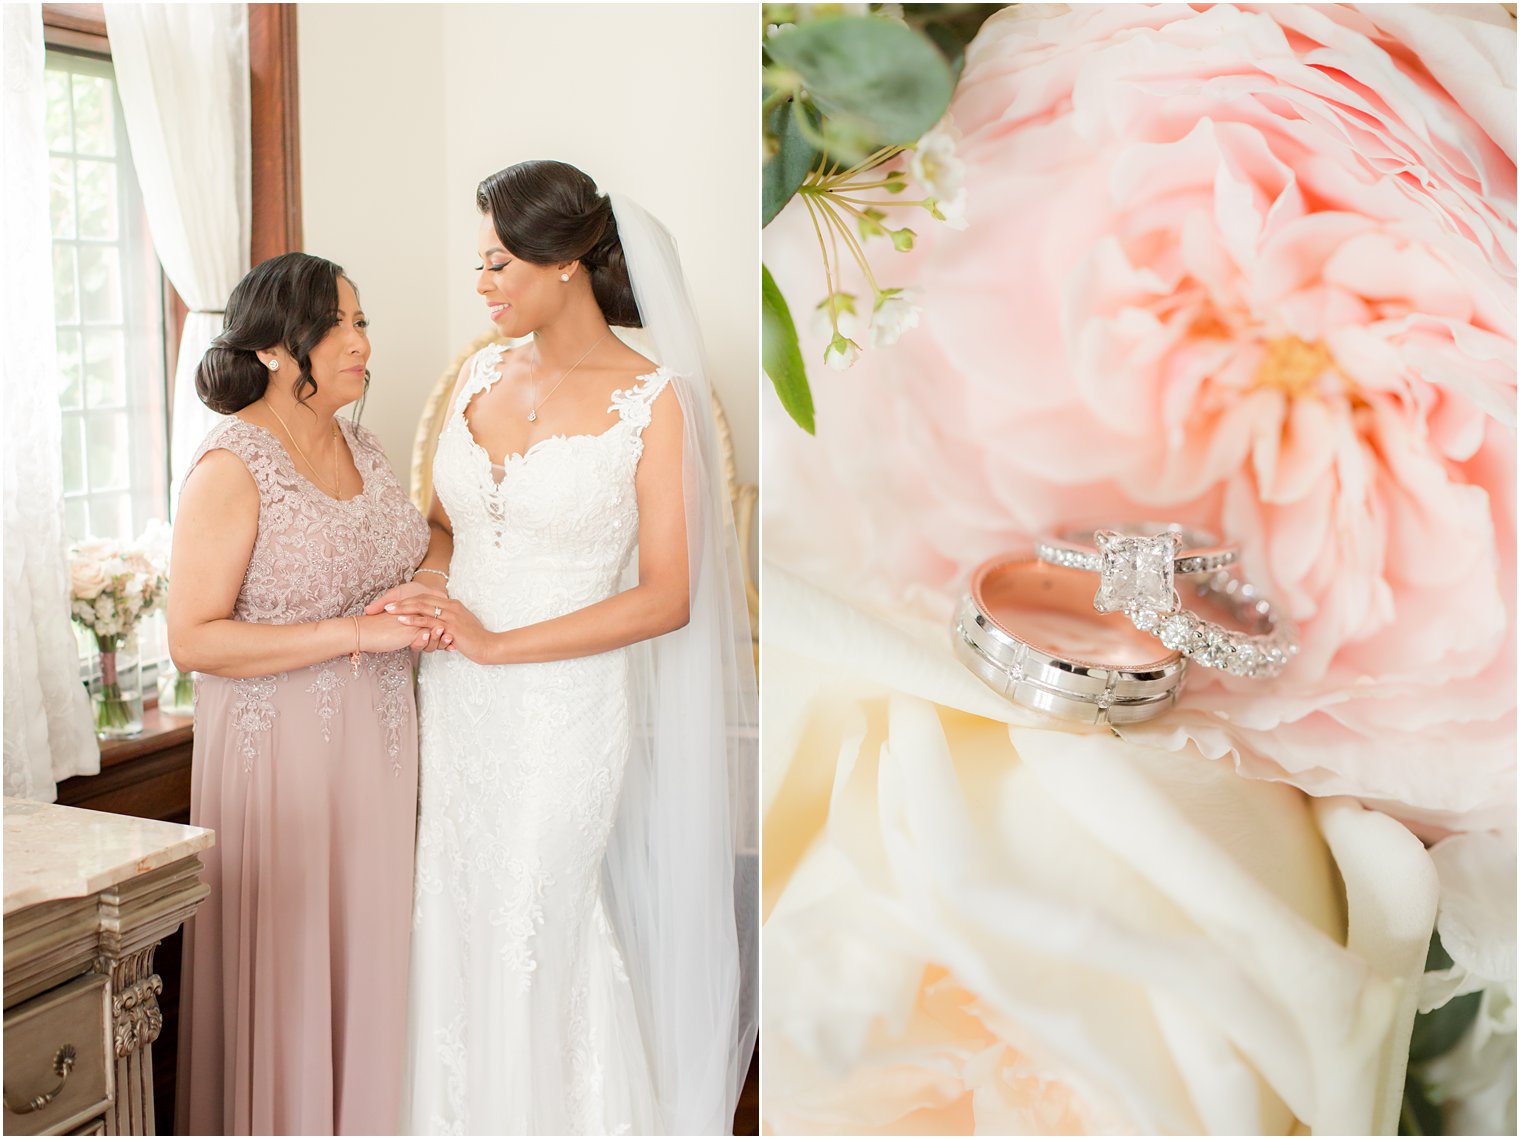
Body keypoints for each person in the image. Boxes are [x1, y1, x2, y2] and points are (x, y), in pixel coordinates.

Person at [379, 160, 757, 1134]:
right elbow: (444, 530)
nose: (483, 285)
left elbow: (667, 596)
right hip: (457, 697)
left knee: (532, 924)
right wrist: (422, 589)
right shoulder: (476, 372)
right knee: (457, 917)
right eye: (480, 264)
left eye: (499, 262)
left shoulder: (656, 399)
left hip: (562, 710)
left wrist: (501, 643)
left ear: (568, 260)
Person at [168, 252, 438, 1135]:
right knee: (294, 971)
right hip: (281, 763)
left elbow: (415, 544)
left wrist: (427, 583)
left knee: (372, 962)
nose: (364, 343)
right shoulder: (232, 463)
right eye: (344, 325)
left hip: (382, 754)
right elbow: (193, 637)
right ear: (282, 349)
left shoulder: (364, 442)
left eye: (364, 324)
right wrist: (356, 633)